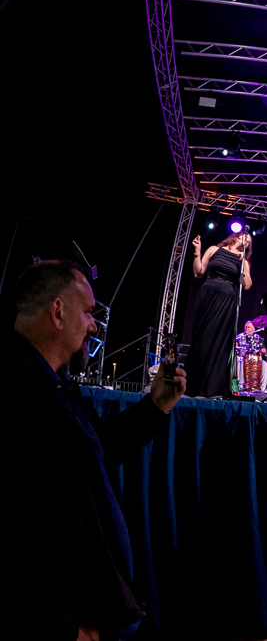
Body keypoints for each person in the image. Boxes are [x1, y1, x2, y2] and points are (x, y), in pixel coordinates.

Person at [2, 260, 186, 639]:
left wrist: (156, 406)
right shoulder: (11, 390)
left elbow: (97, 450)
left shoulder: (55, 385)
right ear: (57, 312)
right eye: (88, 312)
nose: (94, 326)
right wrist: (64, 628)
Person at [185, 231, 252, 397]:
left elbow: (247, 285)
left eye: (249, 242)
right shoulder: (214, 249)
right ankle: (192, 384)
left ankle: (211, 388)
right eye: (246, 238)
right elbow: (198, 272)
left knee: (218, 341)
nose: (247, 242)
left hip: (226, 299)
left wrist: (242, 265)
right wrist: (197, 250)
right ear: (237, 237)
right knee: (201, 337)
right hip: (208, 294)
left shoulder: (243, 261)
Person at [235, 320, 267, 391]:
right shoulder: (240, 337)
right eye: (246, 327)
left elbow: (264, 351)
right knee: (239, 362)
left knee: (265, 365)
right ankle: (240, 387)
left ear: (254, 329)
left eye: (249, 327)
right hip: (243, 358)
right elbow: (235, 347)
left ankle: (263, 388)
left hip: (255, 359)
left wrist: (257, 352)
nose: (246, 328)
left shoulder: (258, 338)